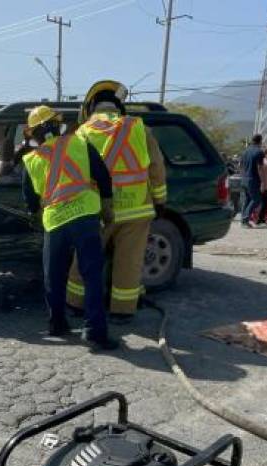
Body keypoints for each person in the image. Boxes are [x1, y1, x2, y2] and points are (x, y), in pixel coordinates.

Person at [66, 80, 168, 322]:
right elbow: (156, 167)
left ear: (91, 108)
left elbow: (74, 172)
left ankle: (76, 305)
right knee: (129, 262)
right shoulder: (139, 128)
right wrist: (160, 200)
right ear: (119, 108)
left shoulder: (83, 132)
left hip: (98, 210)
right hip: (136, 210)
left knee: (85, 259)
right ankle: (122, 311)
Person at [20, 105, 119, 350]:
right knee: (92, 275)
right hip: (85, 216)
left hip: (55, 223)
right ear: (58, 124)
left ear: (33, 134)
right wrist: (107, 210)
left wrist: (35, 214)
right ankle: (95, 331)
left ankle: (57, 324)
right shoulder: (80, 144)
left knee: (54, 276)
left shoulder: (32, 160)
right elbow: (104, 178)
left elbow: (30, 200)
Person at [239, 134, 265, 227]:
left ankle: (243, 220)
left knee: (247, 199)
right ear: (260, 141)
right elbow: (259, 168)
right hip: (253, 179)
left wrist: (243, 176)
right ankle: (246, 218)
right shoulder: (259, 152)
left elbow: (240, 166)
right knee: (256, 199)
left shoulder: (245, 151)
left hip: (244, 178)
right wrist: (262, 182)